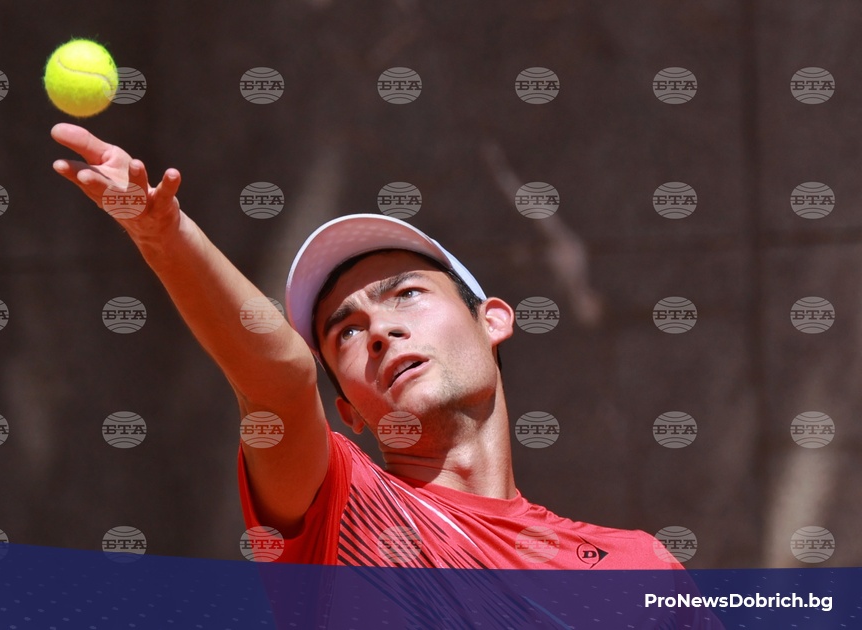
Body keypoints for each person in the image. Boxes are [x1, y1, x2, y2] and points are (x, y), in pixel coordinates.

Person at [50, 123, 679, 570]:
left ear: (492, 320)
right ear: (348, 411)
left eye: (406, 293)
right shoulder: (340, 513)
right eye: (345, 331)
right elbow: (280, 381)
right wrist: (164, 235)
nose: (379, 331)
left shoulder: (638, 567)